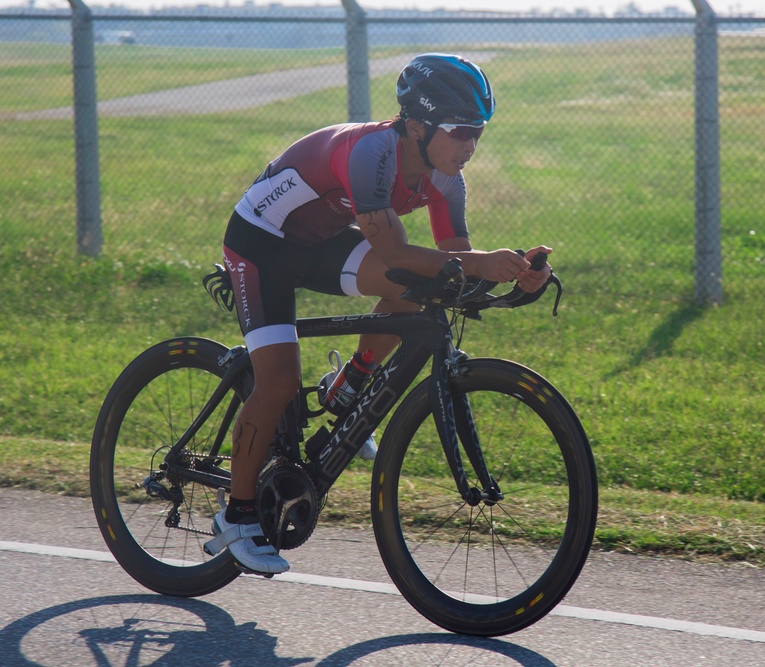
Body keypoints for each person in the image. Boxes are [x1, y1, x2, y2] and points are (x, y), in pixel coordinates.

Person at [208, 53, 553, 575]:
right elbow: (395, 254)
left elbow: (453, 266)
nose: (470, 145)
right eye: (460, 131)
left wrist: (519, 277)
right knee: (278, 382)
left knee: (425, 287)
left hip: (319, 240)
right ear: (417, 125)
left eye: (478, 132)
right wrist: (479, 263)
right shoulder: (372, 153)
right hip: (262, 244)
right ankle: (236, 517)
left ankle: (351, 380)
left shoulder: (445, 178)